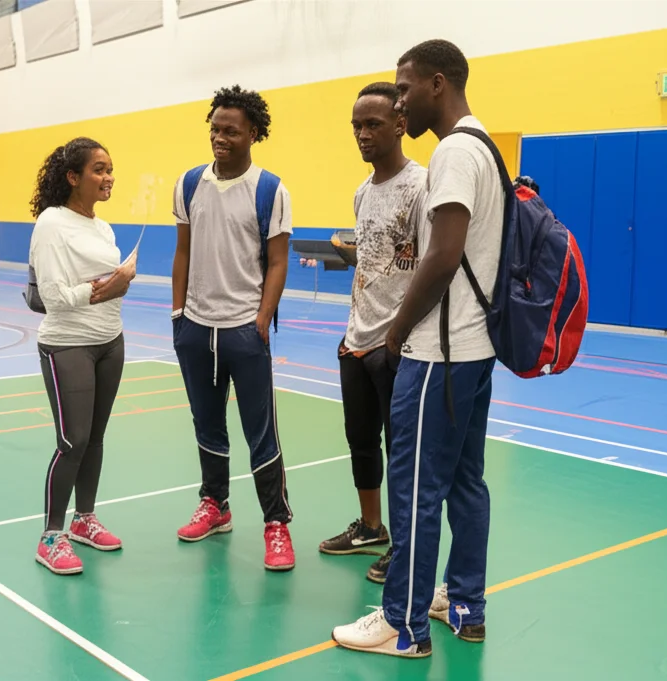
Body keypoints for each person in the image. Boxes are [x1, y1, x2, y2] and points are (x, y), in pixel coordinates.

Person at [332, 39, 503, 656]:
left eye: (404, 89)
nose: (399, 101)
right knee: (465, 482)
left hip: (439, 352)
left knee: (413, 491)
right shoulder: (485, 144)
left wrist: (397, 329)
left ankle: (403, 625)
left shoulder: (453, 152)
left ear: (437, 84)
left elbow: (444, 253)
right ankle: (465, 603)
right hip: (475, 349)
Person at [170, 85, 295, 571]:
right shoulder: (189, 184)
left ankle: (276, 523)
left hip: (245, 329)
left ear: (253, 134)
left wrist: (262, 317)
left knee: (260, 431)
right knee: (206, 422)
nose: (220, 138)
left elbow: (278, 261)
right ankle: (215, 504)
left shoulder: (270, 190)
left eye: (231, 131)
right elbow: (183, 250)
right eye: (215, 129)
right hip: (196, 328)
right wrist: (178, 314)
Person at [318, 83, 427, 587]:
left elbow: (430, 265)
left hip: (398, 345)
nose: (362, 134)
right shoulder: (363, 192)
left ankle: (404, 547)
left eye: (373, 124)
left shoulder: (421, 186)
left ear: (400, 125)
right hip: (355, 340)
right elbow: (379, 260)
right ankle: (370, 527)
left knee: (400, 450)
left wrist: (398, 337)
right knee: (361, 441)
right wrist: (351, 256)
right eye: (356, 126)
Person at [29, 137, 135, 576]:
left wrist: (118, 282)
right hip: (67, 344)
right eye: (99, 169)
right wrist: (105, 289)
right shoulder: (52, 223)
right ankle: (51, 536)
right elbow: (53, 297)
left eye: (110, 169)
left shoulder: (103, 228)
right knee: (73, 440)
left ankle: (84, 520)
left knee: (95, 438)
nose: (108, 177)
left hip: (110, 340)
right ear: (73, 177)